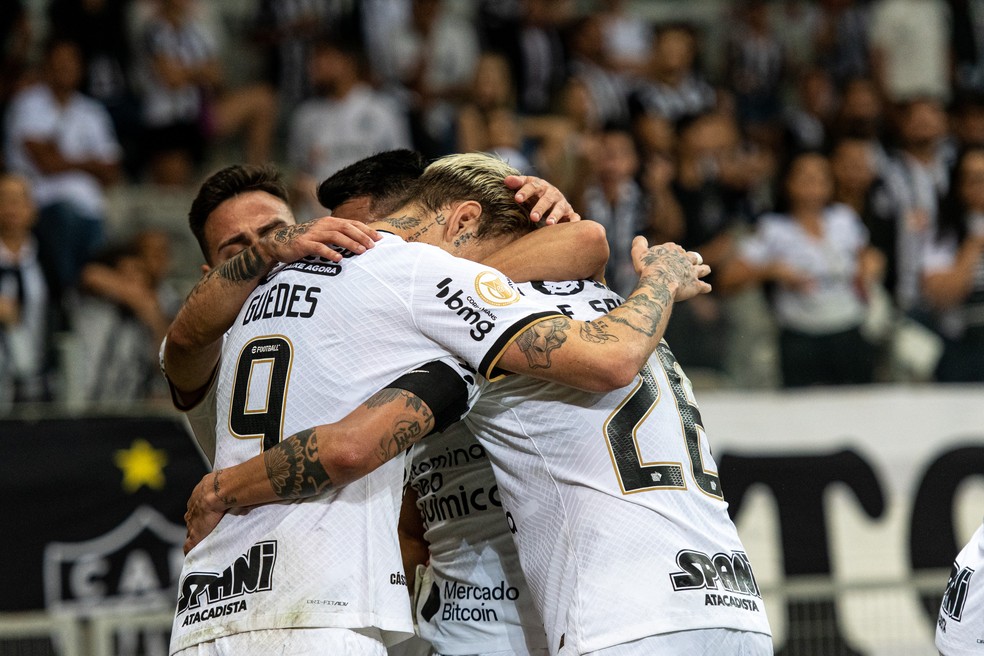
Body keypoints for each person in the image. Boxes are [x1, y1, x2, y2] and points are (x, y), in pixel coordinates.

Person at [177, 155, 772, 655]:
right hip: (733, 605)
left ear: (461, 219)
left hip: (611, 619)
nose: (356, 250)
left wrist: (223, 489)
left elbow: (352, 444)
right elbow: (589, 249)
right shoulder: (618, 308)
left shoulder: (464, 333)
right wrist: (660, 279)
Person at [717, 150, 882, 387]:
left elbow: (866, 254)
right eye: (804, 176)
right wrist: (772, 270)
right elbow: (728, 278)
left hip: (848, 328)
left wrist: (870, 265)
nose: (813, 183)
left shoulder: (843, 219)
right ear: (787, 182)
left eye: (821, 177)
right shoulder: (773, 228)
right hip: (801, 335)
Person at [3, 36, 122, 292]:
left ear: (81, 68)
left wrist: (63, 158)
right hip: (43, 206)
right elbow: (46, 164)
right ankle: (63, 298)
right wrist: (91, 163)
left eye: (71, 63)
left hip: (92, 211)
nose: (65, 69)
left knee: (99, 266)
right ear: (46, 65)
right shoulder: (28, 104)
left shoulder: (92, 111)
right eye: (59, 63)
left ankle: (79, 301)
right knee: (64, 222)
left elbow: (112, 171)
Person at [921, 146, 984, 382]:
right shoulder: (943, 233)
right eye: (975, 180)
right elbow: (941, 298)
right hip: (963, 347)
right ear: (960, 186)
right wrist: (973, 247)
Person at [0, 173, 54, 408]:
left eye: (19, 199)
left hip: (37, 381)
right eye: (4, 199)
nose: (11, 207)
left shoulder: (48, 260)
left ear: (33, 209)